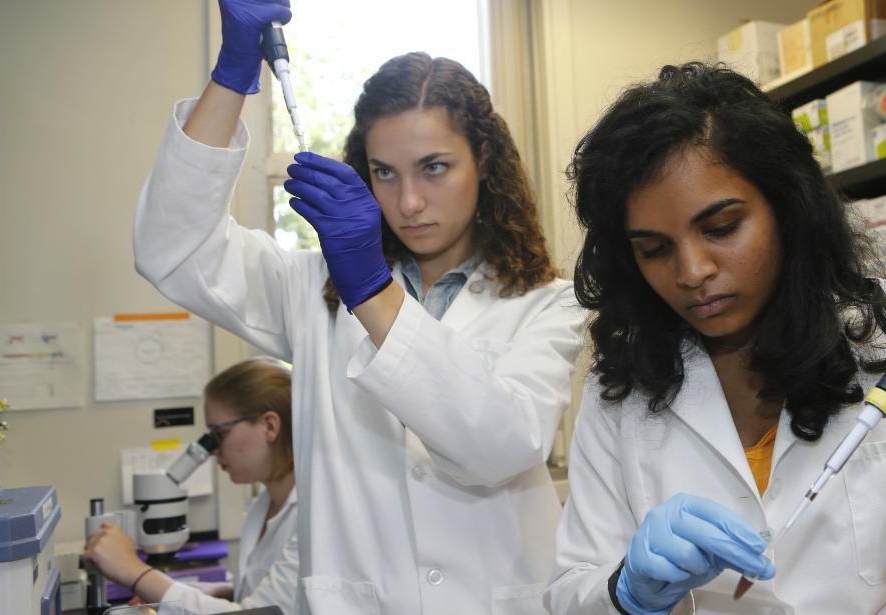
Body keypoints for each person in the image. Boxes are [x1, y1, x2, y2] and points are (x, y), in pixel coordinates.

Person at [546, 62, 886, 614]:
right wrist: (629, 592)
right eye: (654, 248)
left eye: (721, 228)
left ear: (787, 206)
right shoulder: (626, 386)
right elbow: (572, 590)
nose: (692, 271)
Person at [133, 1, 585, 612]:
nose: (409, 201)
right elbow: (173, 249)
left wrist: (371, 288)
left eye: (434, 168)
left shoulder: (544, 303)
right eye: (384, 173)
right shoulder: (312, 289)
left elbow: (499, 445)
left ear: (485, 165)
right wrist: (233, 74)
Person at [84, 358, 299, 613]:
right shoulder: (266, 504)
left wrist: (134, 571)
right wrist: (224, 592)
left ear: (269, 426)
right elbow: (271, 596)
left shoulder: (312, 517)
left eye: (219, 434)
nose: (212, 450)